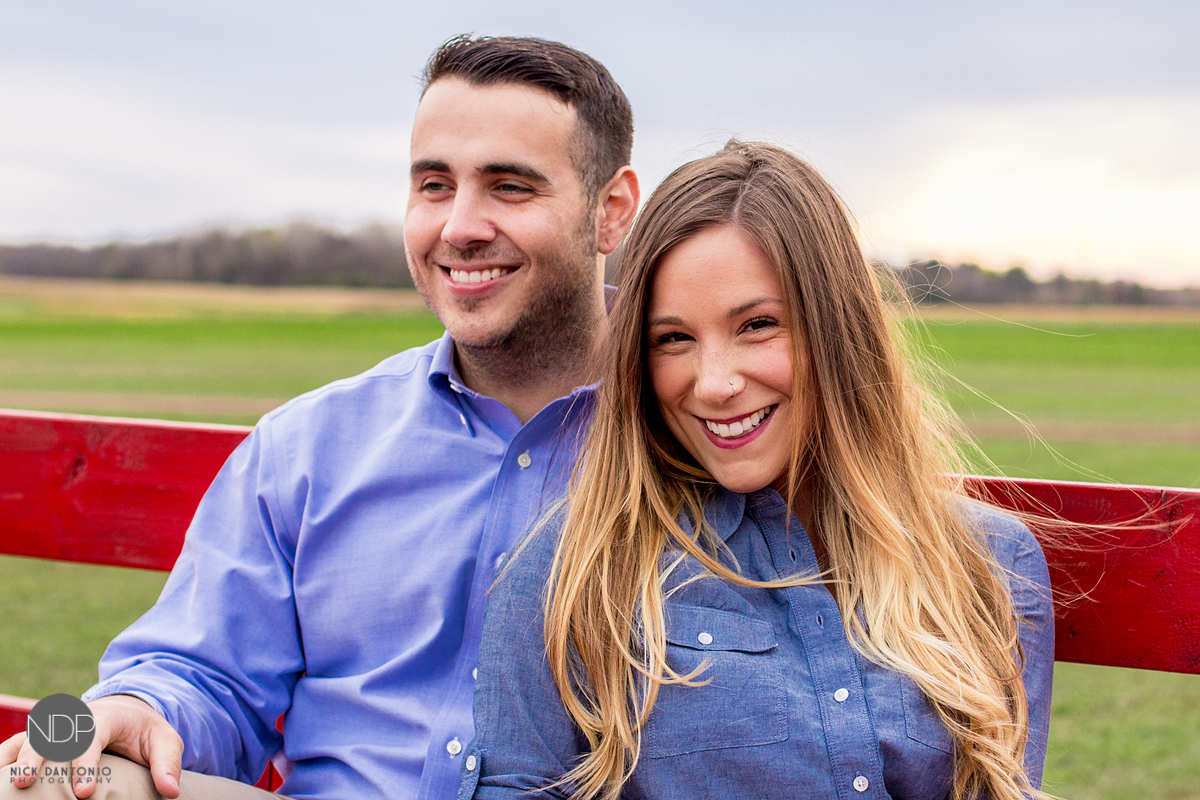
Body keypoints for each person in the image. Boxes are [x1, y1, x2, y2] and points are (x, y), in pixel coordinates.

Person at [0, 35, 639, 800]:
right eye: (434, 185)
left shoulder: (692, 436)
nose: (459, 226)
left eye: (509, 187)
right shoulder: (309, 447)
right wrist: (143, 705)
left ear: (611, 211)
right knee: (37, 786)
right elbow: (203, 671)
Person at [464, 142, 1054, 800]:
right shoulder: (574, 566)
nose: (715, 384)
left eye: (758, 325)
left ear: (837, 328)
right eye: (673, 338)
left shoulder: (988, 563)